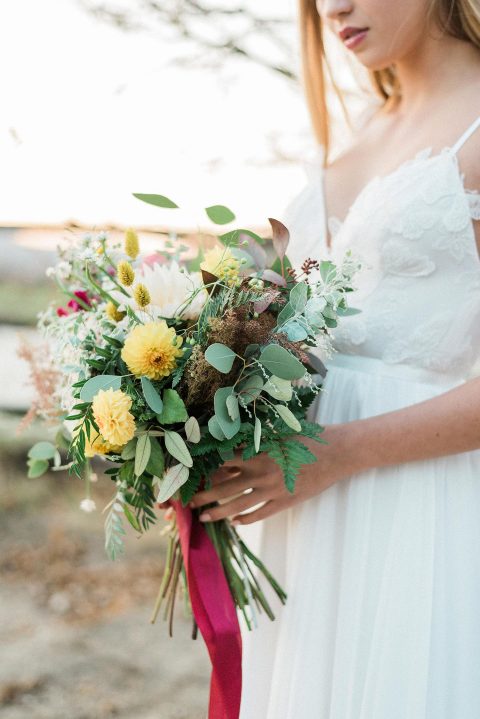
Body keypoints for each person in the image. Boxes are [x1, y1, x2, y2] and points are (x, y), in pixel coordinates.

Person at [189, 0, 480, 716]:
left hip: (418, 507)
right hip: (306, 519)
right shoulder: (361, 128)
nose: (332, 8)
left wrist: (335, 453)